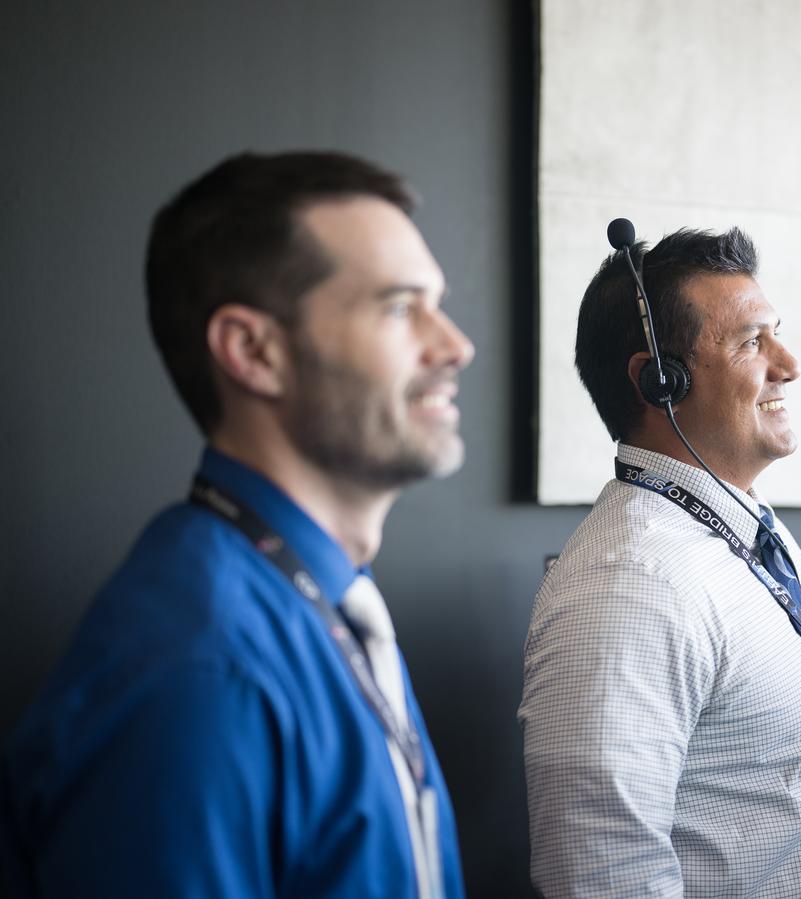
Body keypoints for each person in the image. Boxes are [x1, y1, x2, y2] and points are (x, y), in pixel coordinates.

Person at [0, 151, 474, 898]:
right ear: (254, 352)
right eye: (397, 307)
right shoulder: (202, 668)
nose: (454, 344)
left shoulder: (317, 597)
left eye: (437, 303)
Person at [519, 227, 801, 898]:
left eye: (776, 332)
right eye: (752, 341)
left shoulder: (743, 535)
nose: (790, 362)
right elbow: (600, 877)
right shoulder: (628, 585)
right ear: (660, 382)